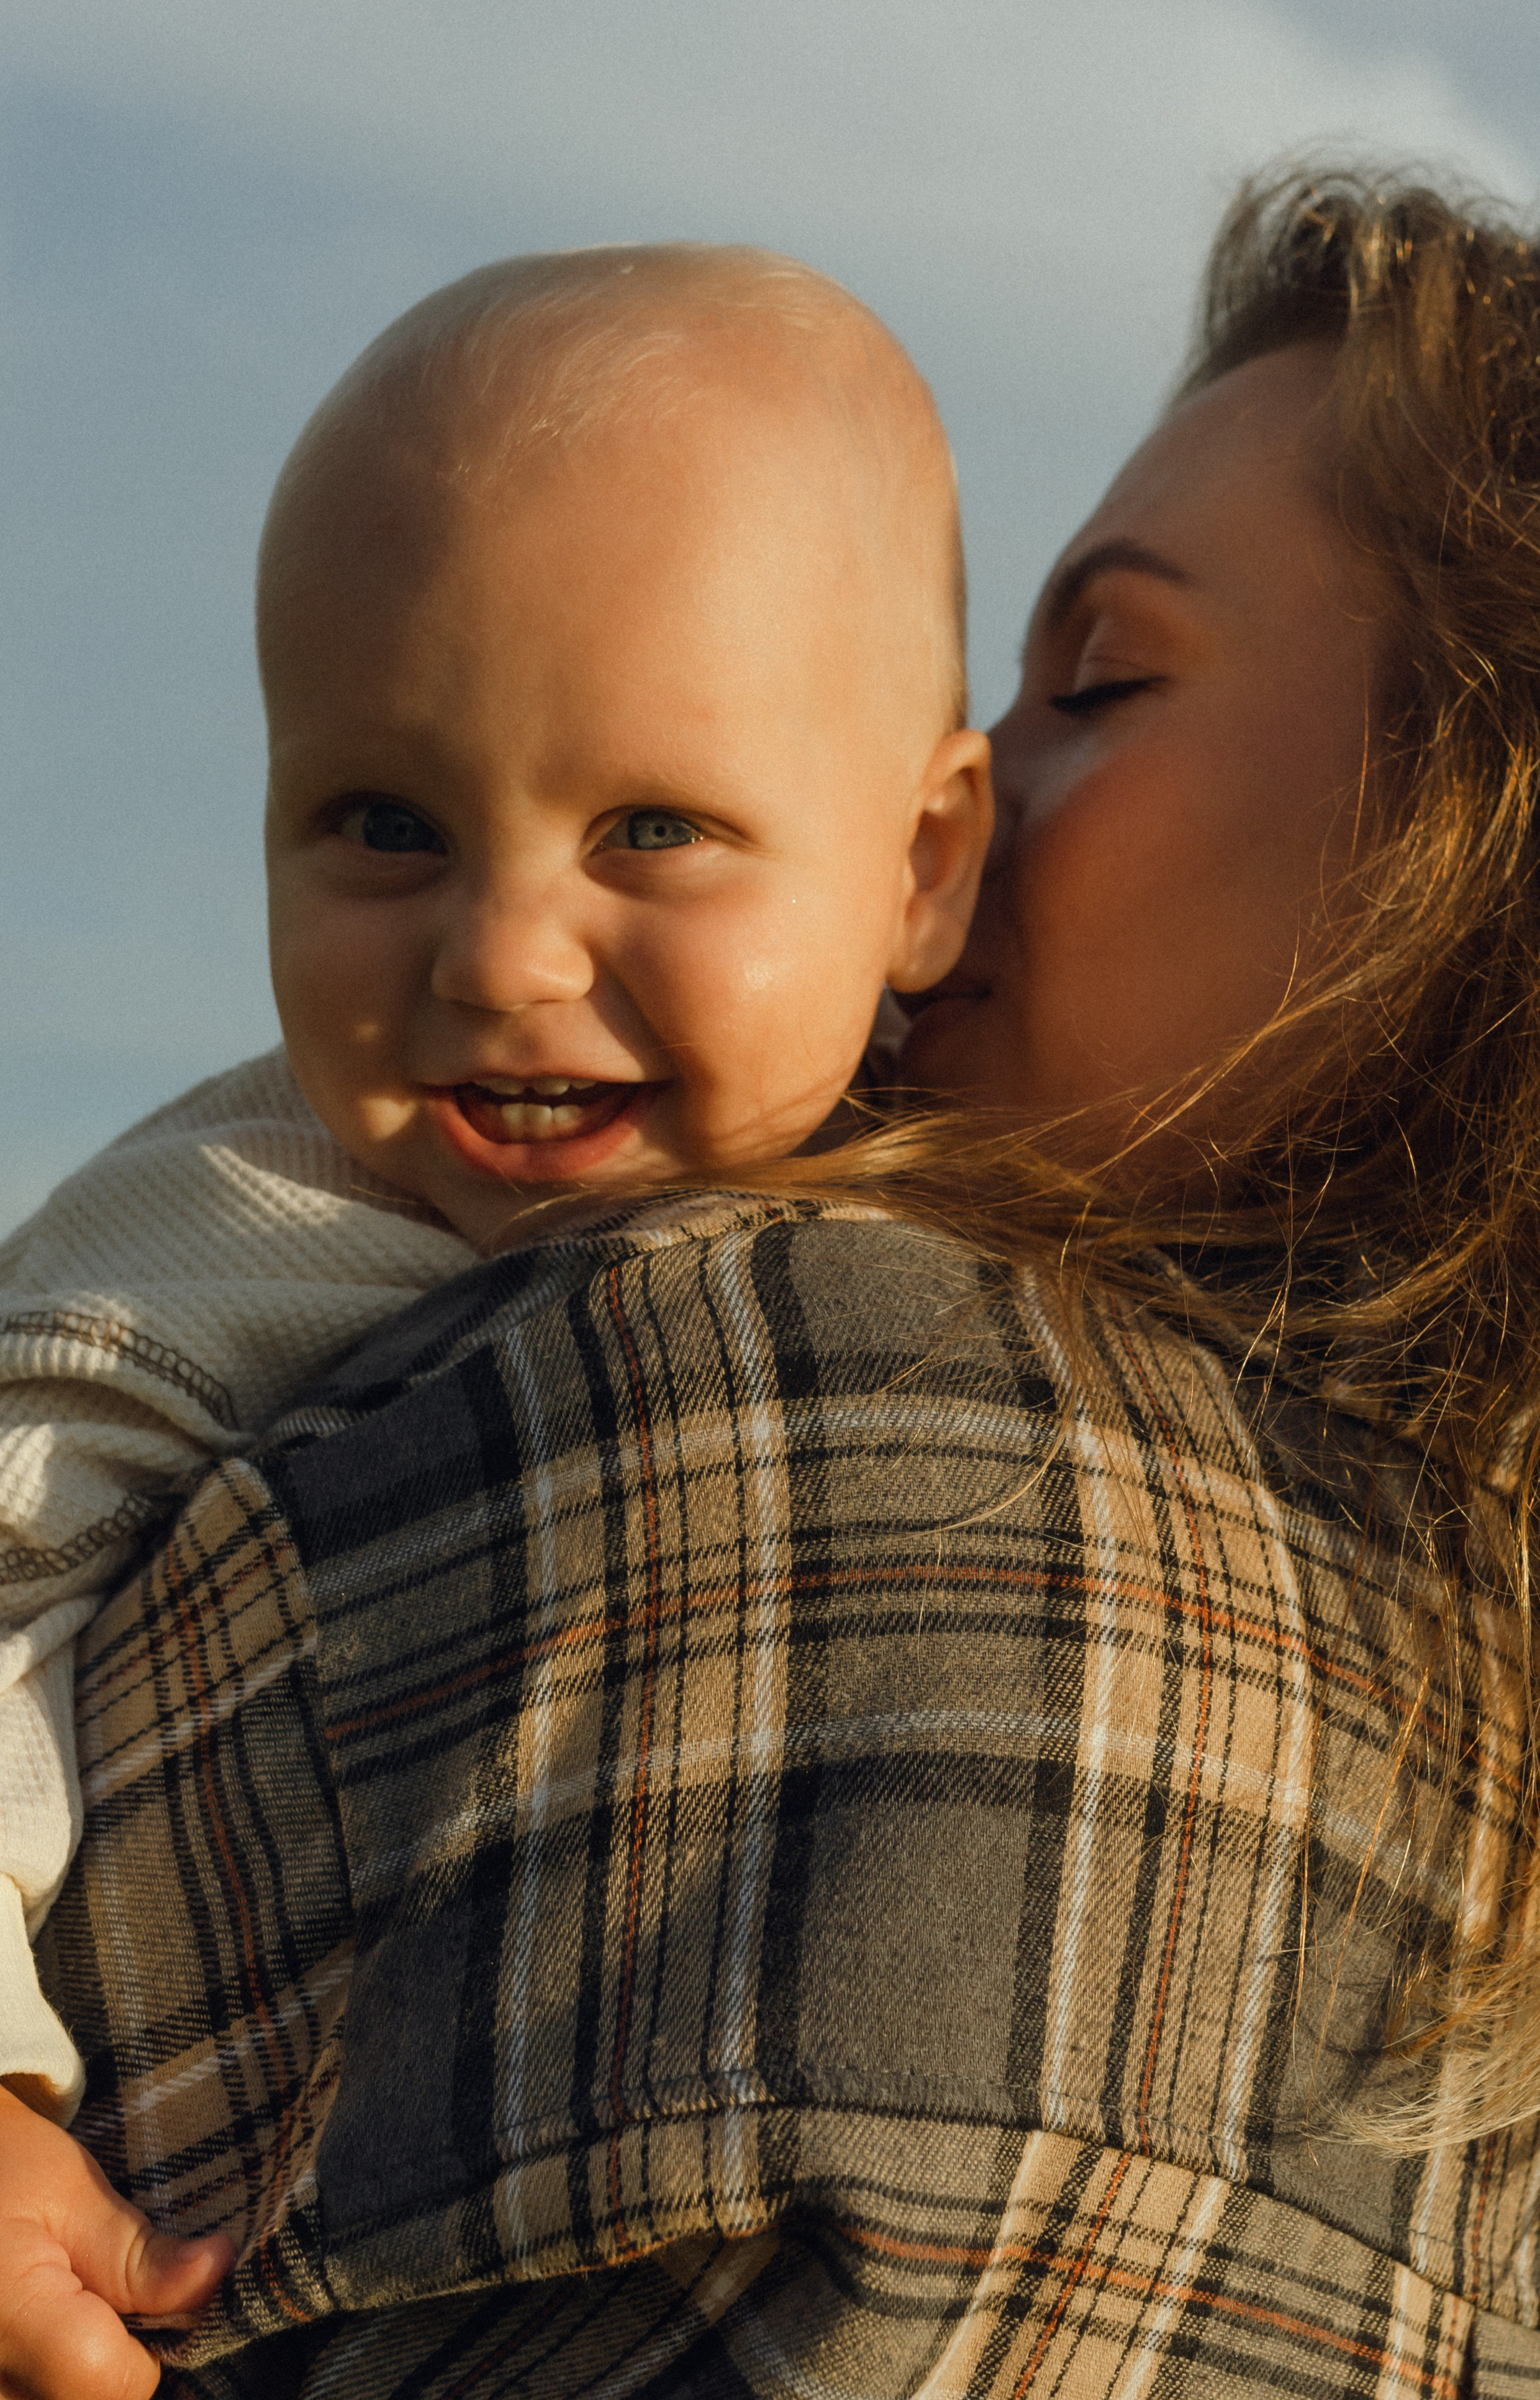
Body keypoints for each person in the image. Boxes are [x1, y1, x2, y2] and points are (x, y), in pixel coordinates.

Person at [13, 161, 1540, 2397]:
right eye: (385, 823)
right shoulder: (1497, 1719)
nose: (970, 806)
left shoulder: (816, 1399)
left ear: (1497, 820)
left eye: (1100, 676)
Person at [0, 243, 990, 2123]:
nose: (500, 958)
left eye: (652, 830)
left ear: (923, 865)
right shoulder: (228, 1239)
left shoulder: (1002, 1180)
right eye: (388, 825)